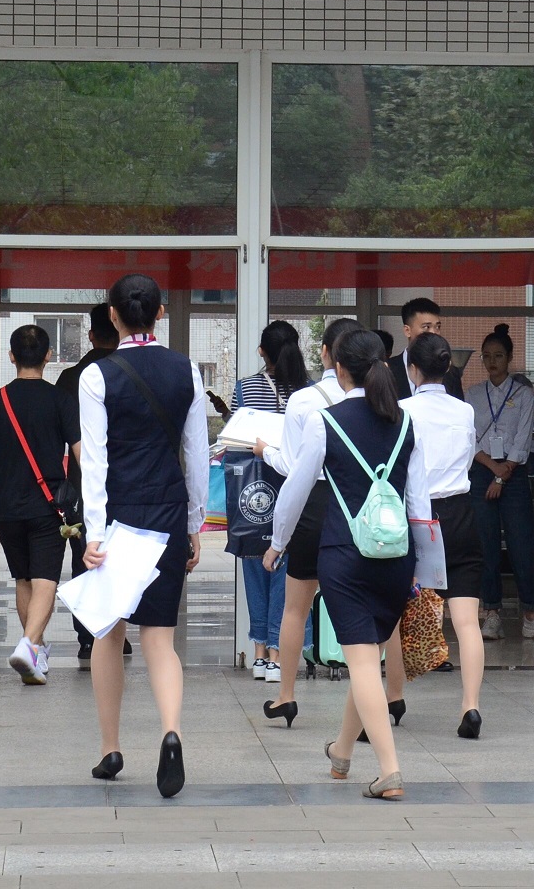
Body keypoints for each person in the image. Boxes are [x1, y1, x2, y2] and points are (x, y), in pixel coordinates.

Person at [266, 328, 430, 800]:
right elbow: (419, 504)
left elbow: (296, 490)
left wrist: (277, 543)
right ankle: (342, 750)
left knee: (361, 662)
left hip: (346, 555)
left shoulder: (326, 421)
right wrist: (425, 568)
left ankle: (390, 770)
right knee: (369, 657)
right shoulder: (405, 421)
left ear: (339, 368)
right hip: (396, 557)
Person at [77, 274, 209, 798]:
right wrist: (194, 522)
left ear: (112, 315)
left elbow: (94, 461)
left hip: (119, 516)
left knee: (110, 633)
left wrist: (93, 533)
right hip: (168, 512)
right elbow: (196, 452)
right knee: (160, 638)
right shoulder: (186, 370)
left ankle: (110, 748)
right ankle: (171, 732)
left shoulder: (96, 375)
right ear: (160, 313)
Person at [255, 316, 363, 726]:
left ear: (326, 353)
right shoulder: (381, 402)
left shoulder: (304, 401)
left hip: (314, 506)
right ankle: (386, 694)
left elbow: (293, 469)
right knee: (364, 608)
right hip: (356, 505)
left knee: (295, 608)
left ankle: (286, 695)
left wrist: (265, 451)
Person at [0, 325, 80, 686]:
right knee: (46, 580)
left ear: (11, 356)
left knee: (23, 579)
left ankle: (37, 652)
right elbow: (81, 453)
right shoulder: (60, 400)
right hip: (49, 506)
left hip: (8, 508)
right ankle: (29, 644)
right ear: (48, 355)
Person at [400, 332, 485, 736]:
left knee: (398, 614)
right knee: (466, 621)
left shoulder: (402, 410)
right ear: (448, 366)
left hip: (417, 517)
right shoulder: (464, 411)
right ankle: (470, 706)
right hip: (461, 512)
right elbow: (467, 459)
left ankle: (392, 697)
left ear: (412, 369)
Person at [230, 322, 308, 682]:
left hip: (254, 492)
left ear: (262, 351)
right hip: (294, 489)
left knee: (254, 567)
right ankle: (278, 655)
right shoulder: (307, 391)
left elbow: (234, 440)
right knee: (286, 572)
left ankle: (260, 653)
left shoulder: (245, 388)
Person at [58, 303, 123, 667]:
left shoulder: (71, 377)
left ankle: (87, 638)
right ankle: (116, 635)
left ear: (92, 335)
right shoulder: (128, 371)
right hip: (124, 483)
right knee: (121, 558)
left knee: (84, 557)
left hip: (81, 484)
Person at [465, 323, 534, 643]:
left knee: (522, 544)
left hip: (514, 472)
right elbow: (469, 439)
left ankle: (530, 610)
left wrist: (502, 472)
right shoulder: (473, 394)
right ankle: (492, 611)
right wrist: (492, 469)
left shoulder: (523, 394)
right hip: (482, 471)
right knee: (486, 545)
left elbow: (523, 438)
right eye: (487, 356)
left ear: (509, 358)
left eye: (498, 355)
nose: (492, 361)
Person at [387, 298, 463, 399]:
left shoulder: (450, 372)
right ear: (407, 331)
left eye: (437, 327)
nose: (433, 333)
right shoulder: (387, 370)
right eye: (426, 327)